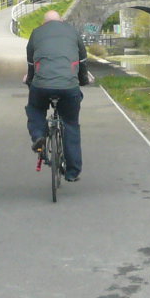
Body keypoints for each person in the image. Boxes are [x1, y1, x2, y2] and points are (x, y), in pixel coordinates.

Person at [24, 9, 88, 181]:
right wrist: (83, 80)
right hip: (68, 86)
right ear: (61, 21)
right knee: (70, 124)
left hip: (42, 85)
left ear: (44, 23)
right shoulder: (72, 32)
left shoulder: (36, 33)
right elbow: (82, 60)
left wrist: (30, 80)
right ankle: (72, 172)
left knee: (35, 108)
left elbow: (31, 62)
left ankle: (39, 136)